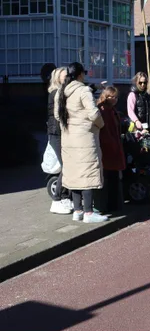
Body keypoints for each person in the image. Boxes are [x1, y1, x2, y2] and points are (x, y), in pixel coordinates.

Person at [56, 62, 109, 224]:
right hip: (85, 138)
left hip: (68, 138)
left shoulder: (61, 92)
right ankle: (88, 212)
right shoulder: (83, 91)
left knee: (74, 174)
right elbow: (94, 113)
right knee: (87, 173)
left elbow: (57, 116)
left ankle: (78, 210)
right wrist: (101, 125)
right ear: (80, 74)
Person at [47, 67, 72, 214]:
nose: (68, 77)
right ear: (58, 78)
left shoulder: (62, 92)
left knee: (68, 165)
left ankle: (65, 197)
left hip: (61, 133)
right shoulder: (56, 93)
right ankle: (57, 199)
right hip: (56, 134)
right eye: (65, 76)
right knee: (67, 166)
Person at [97, 86, 125, 214]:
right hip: (108, 149)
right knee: (108, 177)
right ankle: (109, 205)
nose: (114, 99)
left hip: (113, 147)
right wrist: (113, 144)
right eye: (111, 96)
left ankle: (114, 204)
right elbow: (105, 132)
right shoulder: (104, 110)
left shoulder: (111, 110)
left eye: (115, 97)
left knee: (113, 177)